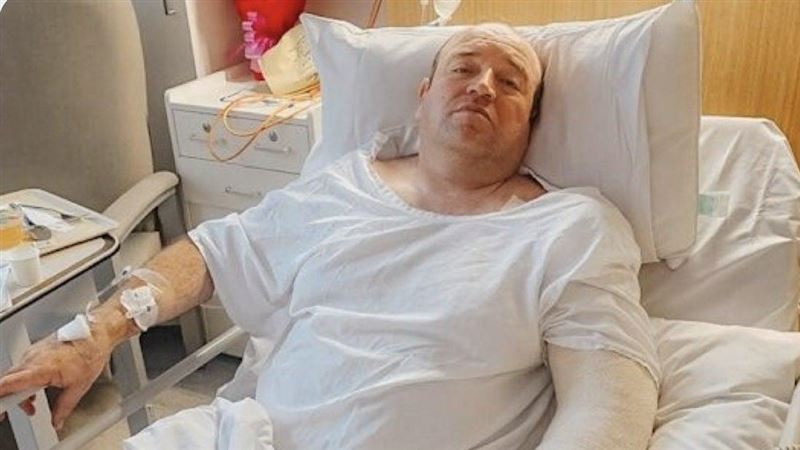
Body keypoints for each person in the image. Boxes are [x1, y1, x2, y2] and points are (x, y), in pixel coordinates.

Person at [0, 24, 659, 449]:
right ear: (424, 93)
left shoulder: (569, 228)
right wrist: (96, 332)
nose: (482, 87)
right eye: (464, 69)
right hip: (246, 438)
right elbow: (213, 255)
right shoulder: (341, 188)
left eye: (510, 82)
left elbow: (607, 406)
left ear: (532, 122)